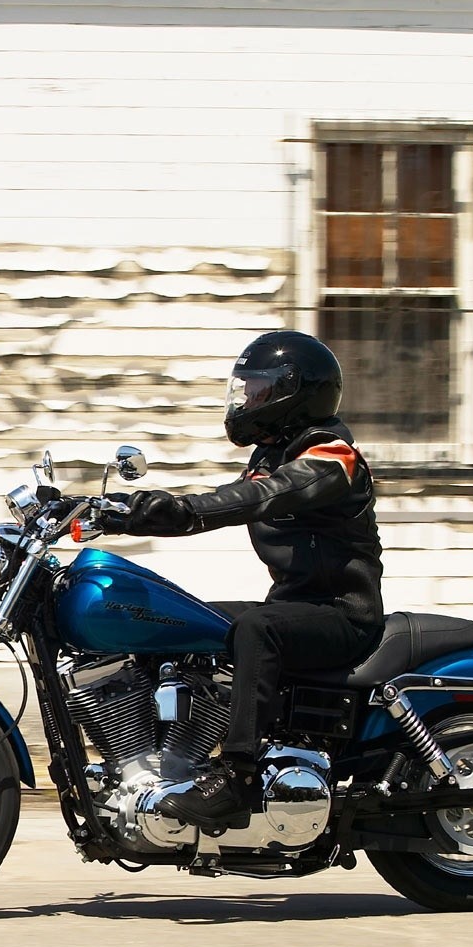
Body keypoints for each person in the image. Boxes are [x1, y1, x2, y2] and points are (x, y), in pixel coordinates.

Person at [115, 330, 384, 828]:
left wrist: (183, 510)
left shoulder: (332, 457)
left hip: (341, 615)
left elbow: (262, 498)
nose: (248, 400)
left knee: (255, 630)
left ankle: (238, 776)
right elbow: (226, 498)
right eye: (247, 389)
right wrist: (122, 512)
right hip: (292, 605)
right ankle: (165, 760)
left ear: (293, 394)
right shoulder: (270, 457)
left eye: (259, 390)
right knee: (181, 620)